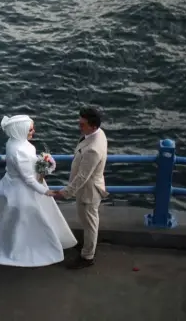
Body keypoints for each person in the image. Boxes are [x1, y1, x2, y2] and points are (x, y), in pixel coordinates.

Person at [0, 115, 77, 267]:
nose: (33, 131)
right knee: (27, 218)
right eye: (30, 129)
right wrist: (45, 191)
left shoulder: (12, 142)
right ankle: (27, 249)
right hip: (23, 190)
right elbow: (29, 179)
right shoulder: (20, 150)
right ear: (20, 130)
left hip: (10, 185)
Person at [52, 106, 109, 269]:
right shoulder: (98, 134)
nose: (79, 126)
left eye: (82, 124)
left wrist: (65, 192)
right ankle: (87, 247)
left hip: (88, 192)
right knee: (88, 222)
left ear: (93, 126)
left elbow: (83, 176)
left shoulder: (93, 150)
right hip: (90, 188)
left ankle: (87, 256)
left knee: (90, 223)